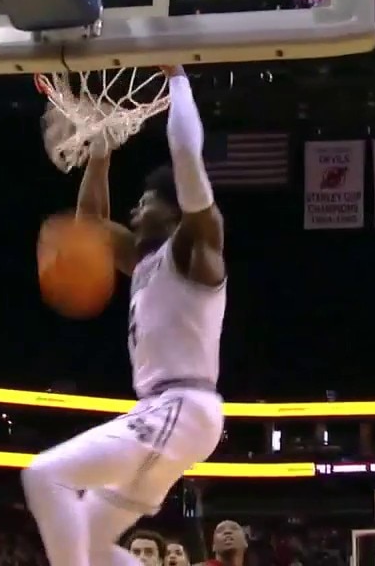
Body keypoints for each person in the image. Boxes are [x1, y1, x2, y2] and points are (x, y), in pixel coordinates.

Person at [23, 64, 227, 566]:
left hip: (181, 405)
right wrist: (100, 149)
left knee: (44, 475)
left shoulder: (197, 247)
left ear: (175, 210)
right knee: (90, 545)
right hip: (166, 413)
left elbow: (185, 156)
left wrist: (177, 78)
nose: (135, 211)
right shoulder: (144, 261)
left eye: (145, 202)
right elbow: (89, 225)